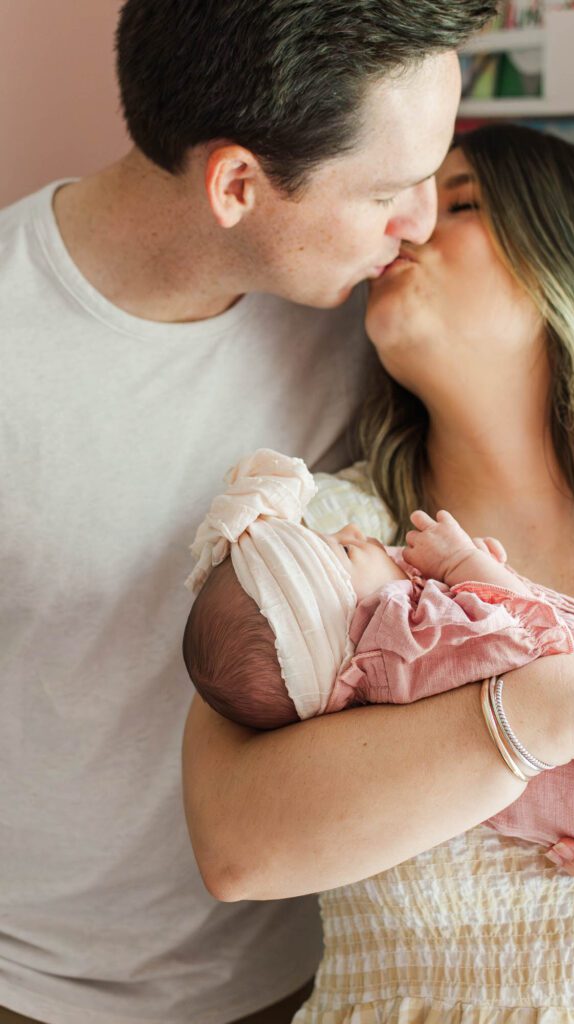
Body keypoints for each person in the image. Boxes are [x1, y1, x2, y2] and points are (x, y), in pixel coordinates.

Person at [0, 0, 499, 1021]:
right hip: (37, 988)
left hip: (323, 973)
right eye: (391, 191)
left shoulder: (381, 319)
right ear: (236, 183)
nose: (418, 228)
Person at [183, 124, 574, 1018]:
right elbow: (235, 847)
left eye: (459, 204)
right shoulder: (328, 544)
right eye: (397, 203)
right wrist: (552, 706)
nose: (407, 230)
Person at [180, 446, 574, 857]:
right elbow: (530, 643)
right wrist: (467, 567)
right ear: (344, 629)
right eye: (346, 551)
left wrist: (477, 583)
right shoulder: (399, 644)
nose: (356, 533)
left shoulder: (381, 689)